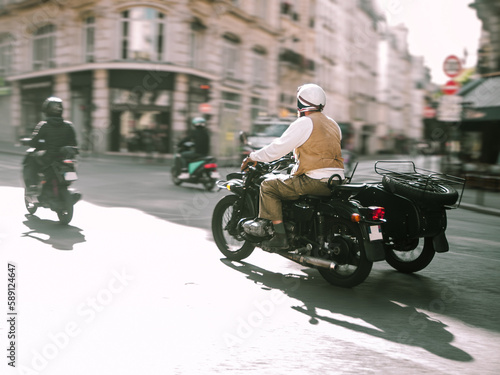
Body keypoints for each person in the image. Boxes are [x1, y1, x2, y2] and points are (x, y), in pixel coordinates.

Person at [240, 83, 344, 250]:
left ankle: (280, 237)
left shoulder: (305, 122)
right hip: (336, 181)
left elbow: (277, 148)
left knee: (268, 186)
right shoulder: (333, 124)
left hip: (314, 181)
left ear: (301, 104)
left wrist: (253, 157)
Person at [23, 97, 78, 193]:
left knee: (31, 157)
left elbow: (34, 142)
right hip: (63, 158)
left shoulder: (44, 125)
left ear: (46, 110)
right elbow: (74, 144)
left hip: (48, 157)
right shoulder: (69, 125)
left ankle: (33, 185)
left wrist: (27, 141)